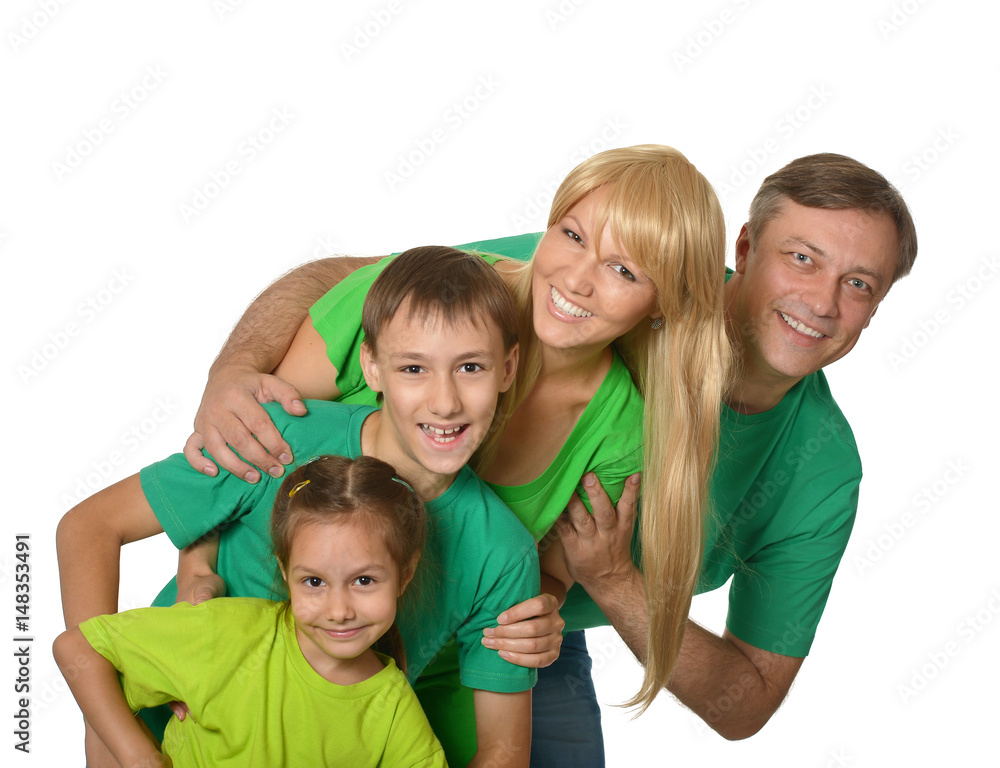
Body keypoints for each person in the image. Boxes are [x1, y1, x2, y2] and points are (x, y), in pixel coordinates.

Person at [179, 145, 732, 763]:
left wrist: (539, 611)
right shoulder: (433, 298)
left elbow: (539, 570)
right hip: (254, 611)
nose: (578, 280)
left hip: (430, 659)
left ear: (663, 302)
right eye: (571, 235)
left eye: (625, 271)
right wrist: (196, 569)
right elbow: (246, 449)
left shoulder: (619, 434)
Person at [57, 246, 540, 768]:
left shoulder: (502, 552)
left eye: (470, 367)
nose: (444, 402)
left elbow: (503, 751)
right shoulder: (278, 436)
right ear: (372, 367)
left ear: (508, 369)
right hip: (159, 741)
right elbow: (89, 526)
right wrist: (107, 733)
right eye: (413, 368)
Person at [546, 152, 918, 750]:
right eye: (802, 259)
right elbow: (363, 290)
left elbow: (746, 704)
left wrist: (615, 581)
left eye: (857, 284)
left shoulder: (823, 471)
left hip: (541, 628)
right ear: (744, 249)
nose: (822, 303)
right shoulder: (634, 278)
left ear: (874, 310)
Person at [53, 455, 447, 767]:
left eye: (363, 581)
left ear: (405, 574)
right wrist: (140, 758)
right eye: (314, 582)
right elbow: (78, 648)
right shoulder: (229, 634)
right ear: (284, 572)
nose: (339, 610)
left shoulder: (393, 709)